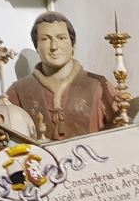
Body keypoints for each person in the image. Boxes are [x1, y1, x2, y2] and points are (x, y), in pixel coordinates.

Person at [7, 11, 117, 139]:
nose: (54, 46)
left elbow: (121, 132)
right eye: (45, 39)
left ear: (72, 44)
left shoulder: (98, 86)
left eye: (61, 38)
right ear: (37, 46)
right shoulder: (19, 91)